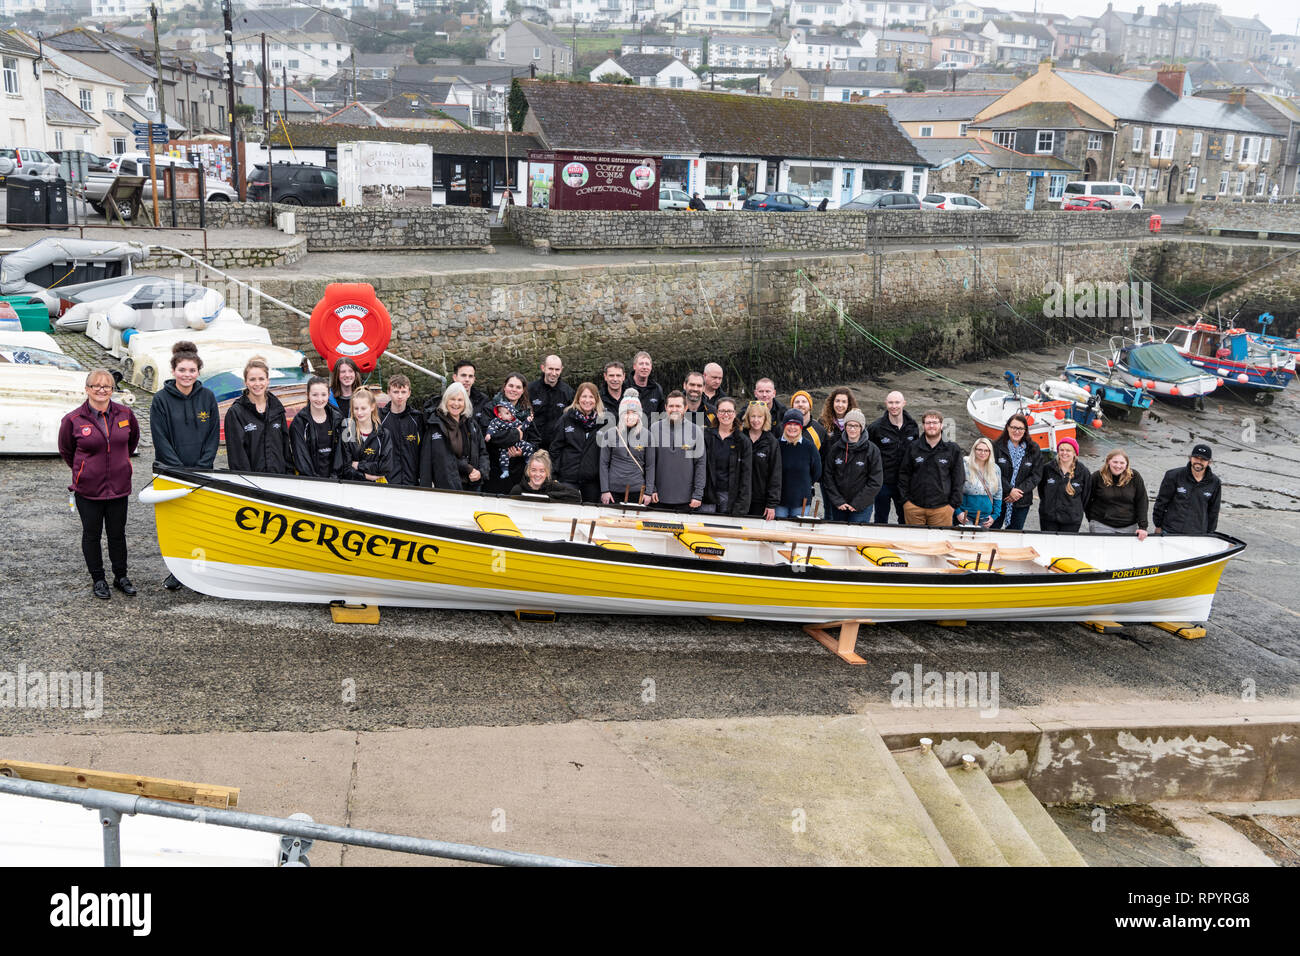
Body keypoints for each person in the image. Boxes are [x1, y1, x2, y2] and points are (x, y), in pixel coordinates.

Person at [59, 369, 140, 600]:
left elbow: (131, 442)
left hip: (118, 487)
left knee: (117, 534)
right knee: (92, 534)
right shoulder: (73, 420)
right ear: (87, 389)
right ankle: (98, 579)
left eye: (107, 386)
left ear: (112, 390)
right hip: (88, 490)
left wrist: (120, 465)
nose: (102, 390)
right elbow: (67, 451)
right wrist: (85, 471)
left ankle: (121, 576)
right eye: (96, 386)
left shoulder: (125, 414)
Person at [150, 340, 219, 591]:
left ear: (198, 371)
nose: (187, 375)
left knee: (201, 523)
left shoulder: (208, 398)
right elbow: (160, 438)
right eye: (182, 370)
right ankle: (177, 573)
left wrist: (202, 466)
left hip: (201, 472)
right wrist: (178, 469)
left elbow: (213, 436)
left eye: (192, 370)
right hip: (172, 473)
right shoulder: (160, 400)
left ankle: (200, 572)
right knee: (176, 525)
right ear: (173, 371)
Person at [224, 357, 291, 474]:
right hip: (252, 483)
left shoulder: (277, 409)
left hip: (280, 479)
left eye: (261, 379)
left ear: (267, 381)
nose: (257, 384)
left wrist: (289, 474)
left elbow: (285, 447)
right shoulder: (236, 413)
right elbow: (236, 455)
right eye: (252, 379)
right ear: (245, 382)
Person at [898, 410, 964, 527]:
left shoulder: (952, 449)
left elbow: (959, 478)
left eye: (935, 422)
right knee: (915, 543)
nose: (931, 426)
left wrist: (953, 505)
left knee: (940, 543)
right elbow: (904, 475)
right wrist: (906, 502)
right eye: (928, 423)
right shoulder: (913, 447)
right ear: (923, 426)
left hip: (942, 509)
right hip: (914, 507)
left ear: (941, 425)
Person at [419, 381, 488, 491]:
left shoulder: (472, 424)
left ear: (465, 403)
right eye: (452, 399)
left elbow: (483, 452)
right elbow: (426, 460)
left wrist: (481, 472)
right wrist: (425, 490)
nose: (456, 404)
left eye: (460, 400)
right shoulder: (435, 425)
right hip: (445, 488)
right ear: (446, 401)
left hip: (472, 486)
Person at [822, 408, 883, 524]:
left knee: (856, 539)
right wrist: (838, 501)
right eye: (849, 425)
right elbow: (828, 476)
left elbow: (875, 481)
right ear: (845, 426)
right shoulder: (836, 448)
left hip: (861, 507)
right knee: (839, 538)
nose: (852, 429)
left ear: (862, 427)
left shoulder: (872, 450)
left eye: (856, 426)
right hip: (839, 505)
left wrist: (858, 503)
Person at [647, 391, 706, 511]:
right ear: (665, 408)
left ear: (685, 408)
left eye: (678, 406)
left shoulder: (696, 431)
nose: (674, 409)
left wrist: (698, 494)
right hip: (658, 497)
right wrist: (651, 489)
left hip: (687, 499)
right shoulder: (654, 428)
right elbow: (649, 463)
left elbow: (700, 464)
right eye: (671, 406)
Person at [480, 372, 537, 495]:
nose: (513, 390)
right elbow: (489, 437)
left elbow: (535, 439)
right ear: (504, 387)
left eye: (518, 387)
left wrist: (522, 452)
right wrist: (516, 434)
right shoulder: (490, 408)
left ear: (523, 391)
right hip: (494, 469)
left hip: (519, 470)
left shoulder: (526, 411)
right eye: (511, 386)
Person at [869, 390, 919, 525]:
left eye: (897, 402)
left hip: (904, 483)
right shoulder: (876, 427)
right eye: (890, 402)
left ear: (904, 403)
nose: (894, 406)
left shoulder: (912, 426)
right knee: (880, 518)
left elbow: (916, 453)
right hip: (883, 482)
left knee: (904, 518)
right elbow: (870, 455)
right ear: (886, 404)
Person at [549, 382, 604, 503]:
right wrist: (553, 476)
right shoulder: (566, 418)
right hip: (568, 478)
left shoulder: (603, 422)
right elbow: (555, 449)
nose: (587, 400)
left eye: (591, 397)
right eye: (584, 396)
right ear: (578, 398)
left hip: (592, 481)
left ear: (596, 399)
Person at [1153, 443, 1221, 535]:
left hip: (1197, 534)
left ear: (1209, 462)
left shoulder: (1215, 482)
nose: (1199, 462)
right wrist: (1158, 525)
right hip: (1170, 530)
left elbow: (1214, 510)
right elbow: (1161, 502)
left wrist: (1209, 533)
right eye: (1196, 458)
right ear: (1190, 458)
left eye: (1203, 459)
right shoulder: (1173, 475)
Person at [991, 413, 1044, 530]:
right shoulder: (996, 447)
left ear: (1025, 430)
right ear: (1007, 428)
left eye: (1020, 428)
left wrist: (1017, 492)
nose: (1017, 431)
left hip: (1021, 500)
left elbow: (1036, 475)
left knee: (1014, 534)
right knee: (993, 531)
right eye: (1014, 427)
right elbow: (992, 472)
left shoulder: (1033, 449)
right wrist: (1009, 490)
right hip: (999, 498)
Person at [701, 397, 752, 516]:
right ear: (717, 414)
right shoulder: (706, 436)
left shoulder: (742, 441)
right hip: (707, 494)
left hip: (729, 496)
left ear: (735, 414)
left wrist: (741, 505)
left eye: (729, 411)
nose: (726, 414)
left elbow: (746, 475)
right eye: (722, 411)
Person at [600, 392, 653, 505]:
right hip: (613, 491)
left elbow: (650, 466)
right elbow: (603, 463)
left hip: (638, 491)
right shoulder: (609, 434)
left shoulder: (647, 435)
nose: (630, 416)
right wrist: (605, 490)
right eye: (626, 413)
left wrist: (648, 492)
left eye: (634, 412)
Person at [1086, 448, 1149, 539]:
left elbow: (1142, 501)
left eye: (1122, 463)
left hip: (1129, 526)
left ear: (1127, 464)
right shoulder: (1097, 476)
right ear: (1108, 461)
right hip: (1101, 524)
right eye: (1115, 462)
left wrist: (1143, 527)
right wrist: (1091, 518)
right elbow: (1087, 499)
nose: (1118, 466)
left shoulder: (1135, 477)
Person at [290, 376, 344, 478]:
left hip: (335, 480)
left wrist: (334, 477)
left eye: (323, 395)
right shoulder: (299, 422)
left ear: (329, 395)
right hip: (310, 482)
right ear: (308, 395)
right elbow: (301, 457)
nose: (319, 399)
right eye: (315, 395)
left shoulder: (337, 419)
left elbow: (342, 453)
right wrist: (315, 481)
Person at [775, 408, 821, 519]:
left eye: (796, 424)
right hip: (779, 501)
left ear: (800, 426)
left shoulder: (809, 447)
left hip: (801, 500)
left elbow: (817, 472)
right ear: (784, 425)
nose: (792, 427)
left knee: (797, 533)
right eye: (789, 424)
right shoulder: (776, 445)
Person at [1037, 437, 1090, 533]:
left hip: (1072, 520)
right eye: (1061, 450)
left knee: (1066, 547)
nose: (1064, 453)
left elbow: (1086, 497)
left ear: (1074, 453)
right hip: (1048, 518)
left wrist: (1075, 510)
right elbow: (1041, 491)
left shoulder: (1083, 471)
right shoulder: (1047, 468)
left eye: (1068, 450)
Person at [341, 387, 392, 483]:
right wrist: (365, 476)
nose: (359, 412)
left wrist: (358, 465)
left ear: (372, 407)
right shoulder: (347, 433)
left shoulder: (383, 434)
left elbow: (385, 467)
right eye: (356, 408)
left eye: (363, 408)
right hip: (353, 488)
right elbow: (345, 469)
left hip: (377, 488)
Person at [380, 373, 423, 486]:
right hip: (388, 481)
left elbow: (424, 450)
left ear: (409, 393)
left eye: (403, 392)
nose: (400, 396)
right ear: (388, 392)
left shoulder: (417, 418)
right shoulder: (380, 418)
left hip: (412, 480)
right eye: (396, 392)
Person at [743, 401, 781, 521]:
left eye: (760, 417)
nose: (756, 420)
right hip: (740, 498)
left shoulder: (771, 442)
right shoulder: (740, 438)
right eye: (753, 416)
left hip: (760, 500)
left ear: (766, 418)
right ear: (748, 418)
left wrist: (771, 504)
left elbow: (775, 474)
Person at [528, 354, 574, 448]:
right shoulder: (530, 390)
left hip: (559, 445)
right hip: (534, 444)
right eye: (550, 369)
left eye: (557, 370)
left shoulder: (568, 392)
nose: (553, 373)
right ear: (543, 368)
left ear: (561, 370)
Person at [955, 437, 1002, 529]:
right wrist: (958, 512)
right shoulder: (964, 466)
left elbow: (998, 494)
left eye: (986, 450)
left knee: (981, 542)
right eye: (979, 450)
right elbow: (954, 490)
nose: (982, 453)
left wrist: (995, 515)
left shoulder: (995, 469)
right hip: (965, 516)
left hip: (986, 518)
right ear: (974, 450)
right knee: (966, 541)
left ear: (990, 452)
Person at [509, 449, 581, 502]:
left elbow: (576, 495)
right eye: (534, 470)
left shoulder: (552, 486)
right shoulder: (518, 489)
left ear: (547, 473)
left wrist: (548, 496)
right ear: (528, 471)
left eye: (542, 471)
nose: (537, 474)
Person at [819, 387, 858, 459]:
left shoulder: (856, 422)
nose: (840, 405)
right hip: (829, 465)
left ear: (848, 404)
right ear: (832, 402)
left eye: (844, 402)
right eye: (837, 401)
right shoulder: (822, 422)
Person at [630, 351, 665, 420]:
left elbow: (662, 415)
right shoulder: (625, 387)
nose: (644, 367)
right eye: (641, 364)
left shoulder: (657, 388)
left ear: (651, 367)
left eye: (647, 364)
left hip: (651, 430)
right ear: (634, 366)